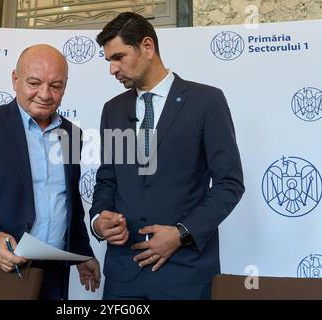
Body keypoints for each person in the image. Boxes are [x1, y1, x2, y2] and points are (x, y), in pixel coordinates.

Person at [90, 12, 244, 299]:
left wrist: (181, 233)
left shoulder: (207, 102)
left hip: (185, 274)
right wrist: (99, 220)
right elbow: (108, 179)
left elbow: (229, 184)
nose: (112, 69)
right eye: (108, 60)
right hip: (124, 277)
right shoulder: (112, 109)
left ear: (147, 47)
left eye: (119, 57)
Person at [0, 44, 100, 300]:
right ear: (15, 79)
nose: (45, 94)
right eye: (34, 83)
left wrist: (83, 252)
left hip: (53, 276)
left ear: (65, 86)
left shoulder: (72, 134)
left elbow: (68, 202)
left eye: (55, 86)